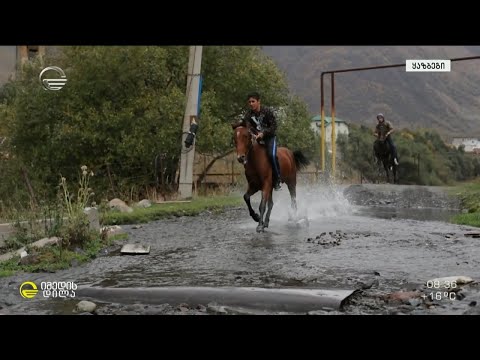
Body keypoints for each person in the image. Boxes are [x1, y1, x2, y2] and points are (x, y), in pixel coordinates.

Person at [238, 91, 282, 190]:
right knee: (248, 154)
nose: (251, 104)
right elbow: (245, 124)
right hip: (257, 140)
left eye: (253, 101)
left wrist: (263, 133)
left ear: (258, 101)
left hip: (269, 138)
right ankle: (254, 180)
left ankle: (278, 178)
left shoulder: (267, 111)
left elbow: (274, 126)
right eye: (249, 102)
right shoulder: (248, 114)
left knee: (272, 155)